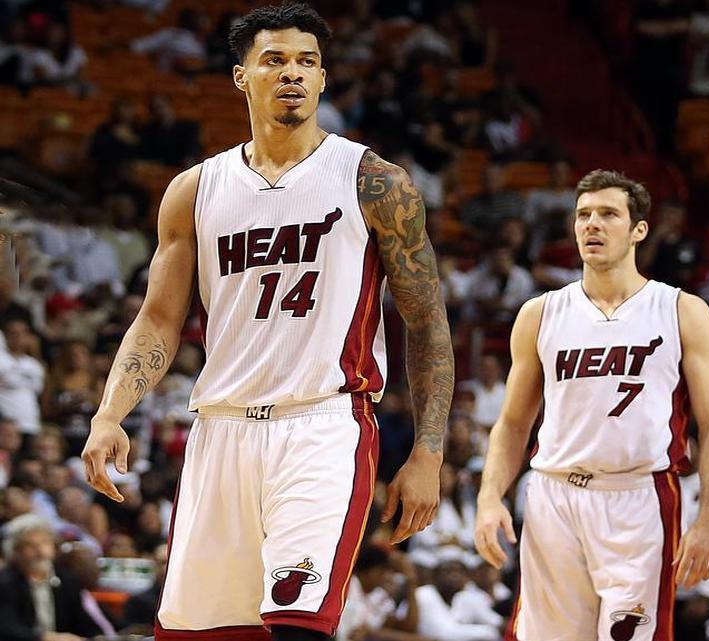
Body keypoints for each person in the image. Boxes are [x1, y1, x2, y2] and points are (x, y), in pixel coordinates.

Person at [80, 4, 454, 641]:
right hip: (220, 428)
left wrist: (428, 450)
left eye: (307, 62)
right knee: (205, 634)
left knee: (297, 624)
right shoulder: (194, 190)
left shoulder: (374, 182)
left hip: (323, 425)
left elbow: (425, 323)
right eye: (274, 60)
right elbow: (159, 317)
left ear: (323, 77)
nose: (292, 74)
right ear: (241, 76)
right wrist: (110, 412)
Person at [472, 169, 709, 641]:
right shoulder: (539, 313)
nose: (592, 224)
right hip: (554, 494)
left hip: (639, 497)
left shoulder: (682, 311)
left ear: (639, 230)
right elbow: (512, 424)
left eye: (609, 214)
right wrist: (490, 497)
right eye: (583, 215)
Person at [0, 513, 104, 641]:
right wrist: (45, 638)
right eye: (30, 546)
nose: (40, 551)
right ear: (15, 551)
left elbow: (86, 625)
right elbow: (7, 629)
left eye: (44, 543)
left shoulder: (67, 580)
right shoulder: (5, 583)